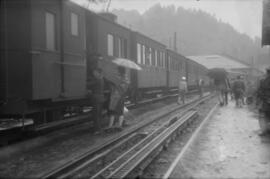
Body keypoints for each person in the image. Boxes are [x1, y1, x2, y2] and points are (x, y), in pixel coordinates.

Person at [91, 67, 105, 134]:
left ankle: (97, 130)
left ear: (98, 73)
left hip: (96, 99)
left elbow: (89, 84)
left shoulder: (97, 79)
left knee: (96, 115)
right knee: (99, 114)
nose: (93, 73)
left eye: (95, 72)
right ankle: (99, 128)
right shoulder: (101, 79)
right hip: (101, 98)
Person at [257, 68, 270, 136]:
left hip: (266, 101)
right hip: (266, 100)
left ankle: (264, 131)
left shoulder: (263, 80)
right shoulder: (263, 80)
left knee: (263, 116)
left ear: (267, 73)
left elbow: (259, 91)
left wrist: (264, 98)